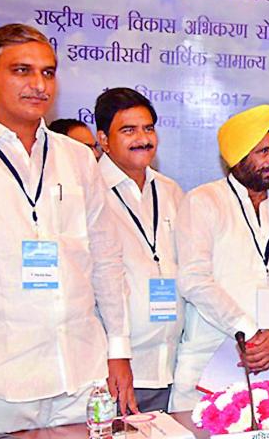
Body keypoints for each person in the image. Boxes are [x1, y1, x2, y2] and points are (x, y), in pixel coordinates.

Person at [0, 24, 135, 436]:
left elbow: (106, 261)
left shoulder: (78, 160)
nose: (38, 85)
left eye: (48, 73)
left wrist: (119, 351)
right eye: (22, 71)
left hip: (83, 380)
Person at [170, 104, 269, 410]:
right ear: (237, 155)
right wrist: (250, 333)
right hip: (214, 356)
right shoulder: (202, 202)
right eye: (263, 151)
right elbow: (195, 280)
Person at [95, 88, 184, 412]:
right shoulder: (90, 191)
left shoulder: (171, 191)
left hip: (171, 368)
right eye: (128, 130)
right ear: (103, 139)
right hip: (115, 371)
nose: (143, 139)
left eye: (148, 128)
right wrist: (113, 357)